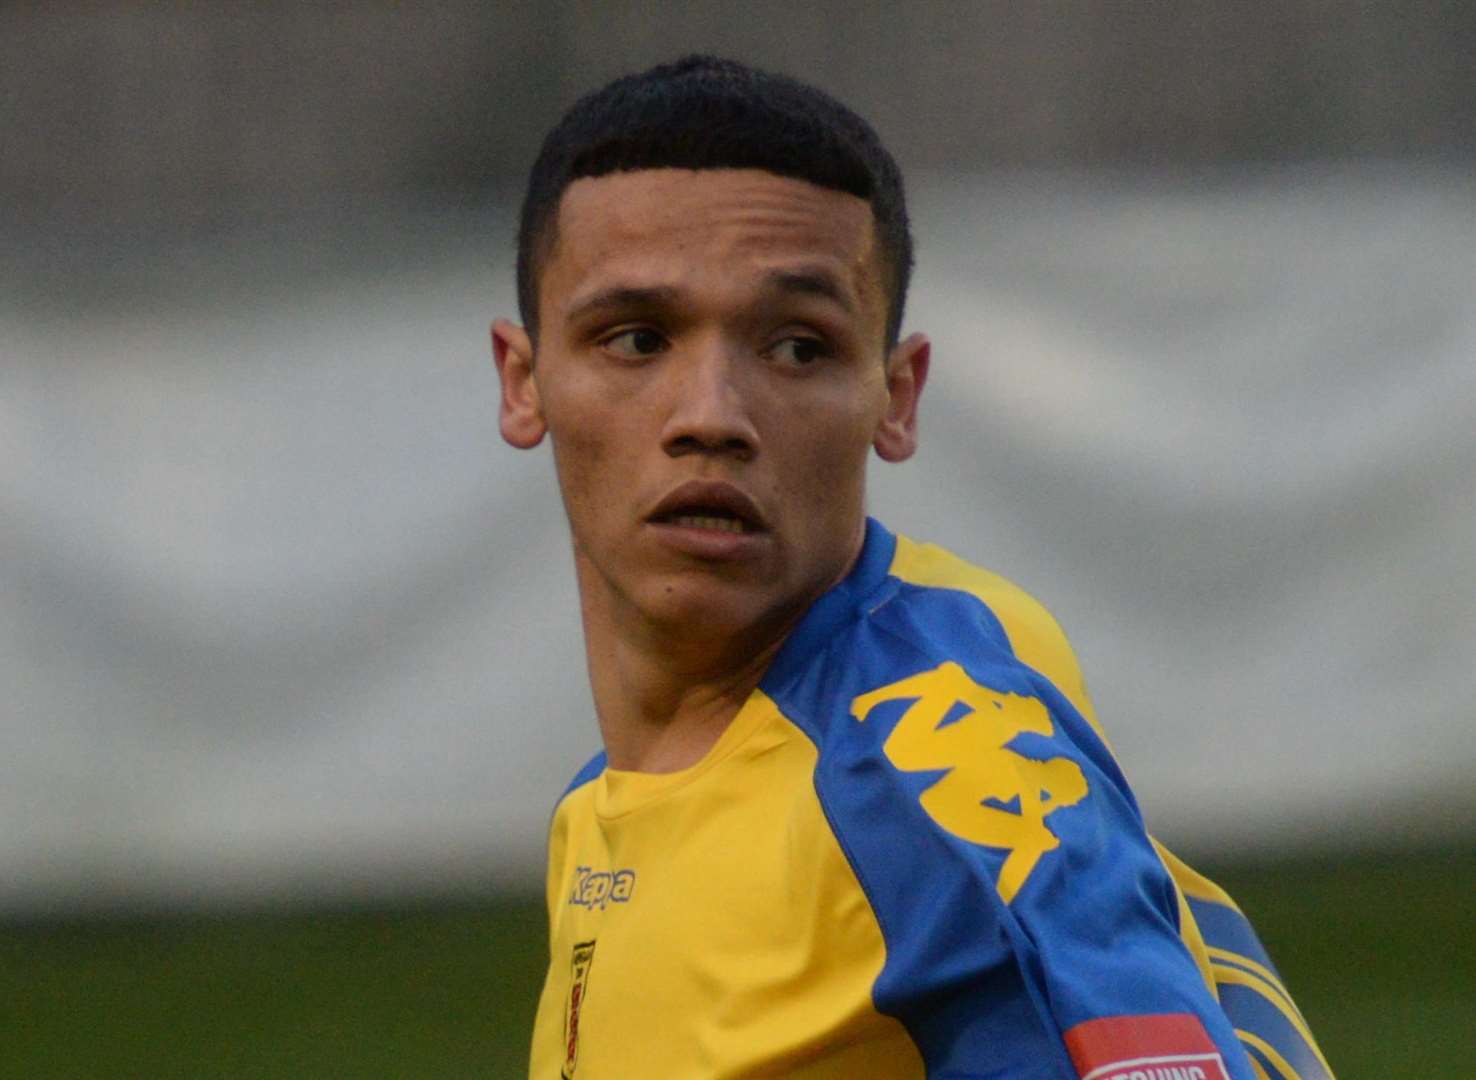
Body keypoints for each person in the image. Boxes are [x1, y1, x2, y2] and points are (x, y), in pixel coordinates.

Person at [492, 55, 1333, 1080]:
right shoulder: (609, 801)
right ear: (524, 382)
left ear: (896, 397)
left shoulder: (923, 751)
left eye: (798, 347)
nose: (710, 415)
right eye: (637, 338)